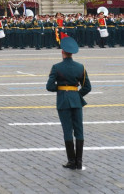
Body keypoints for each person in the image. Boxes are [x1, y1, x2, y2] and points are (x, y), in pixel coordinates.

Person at [46, 36, 91, 170]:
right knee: (79, 130)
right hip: (76, 101)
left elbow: (49, 86)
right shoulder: (80, 67)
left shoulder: (56, 67)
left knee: (67, 131)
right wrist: (76, 94)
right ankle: (79, 161)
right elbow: (87, 87)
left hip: (63, 101)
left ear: (62, 52)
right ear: (72, 53)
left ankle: (71, 161)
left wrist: (60, 89)